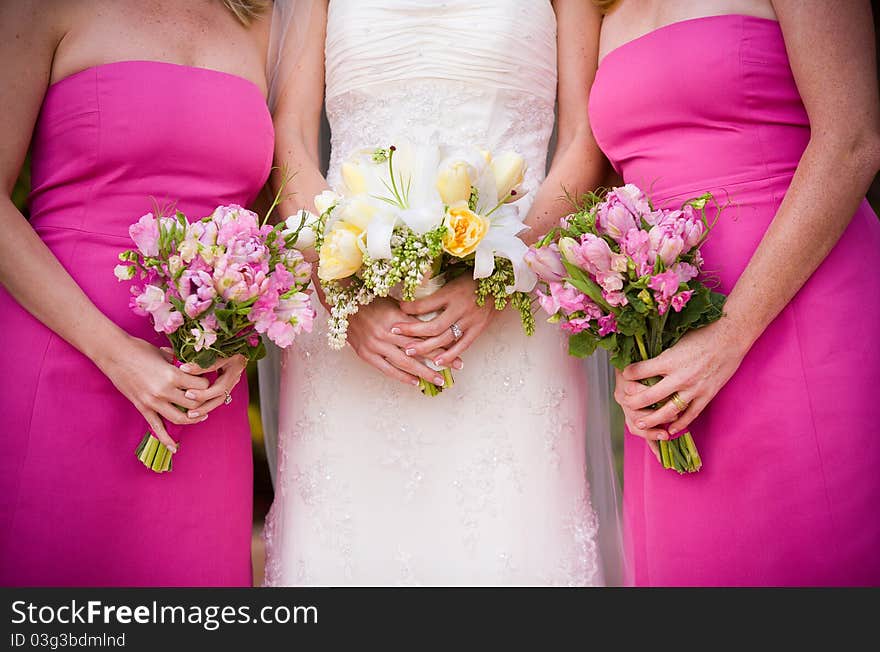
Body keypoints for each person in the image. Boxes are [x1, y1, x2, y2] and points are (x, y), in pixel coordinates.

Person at [260, 0, 623, 585]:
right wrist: (340, 288)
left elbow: (586, 137)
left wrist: (506, 274)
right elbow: (291, 134)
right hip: (355, 323)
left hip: (512, 316)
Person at [594, 0, 880, 585]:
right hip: (670, 346)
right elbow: (595, 180)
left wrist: (728, 335)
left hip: (805, 312)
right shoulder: (596, 8)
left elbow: (851, 142)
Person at [0, 0, 272, 586]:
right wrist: (115, 352)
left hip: (200, 394)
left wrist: (240, 339)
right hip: (61, 358)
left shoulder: (261, 21)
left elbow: (271, 220)